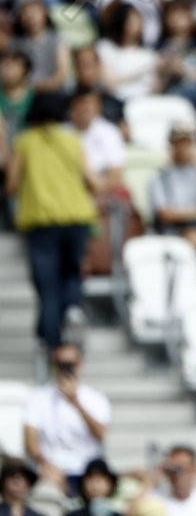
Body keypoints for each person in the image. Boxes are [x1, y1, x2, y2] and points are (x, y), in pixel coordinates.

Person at [6, 92, 97, 350]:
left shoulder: (24, 142)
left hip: (41, 223)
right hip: (76, 219)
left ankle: (50, 341)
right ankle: (72, 308)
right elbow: (91, 179)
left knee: (46, 286)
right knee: (71, 274)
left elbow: (11, 184)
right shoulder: (72, 141)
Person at [24, 343, 112, 496]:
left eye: (70, 364)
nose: (65, 368)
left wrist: (75, 401)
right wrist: (44, 463)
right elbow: (30, 439)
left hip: (85, 473)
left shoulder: (96, 398)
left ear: (80, 364)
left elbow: (100, 433)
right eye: (61, 364)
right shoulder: (38, 397)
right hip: (50, 471)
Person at [148, 120, 196, 253]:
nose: (183, 147)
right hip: (175, 230)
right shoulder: (160, 177)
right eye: (179, 142)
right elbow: (165, 215)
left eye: (187, 142)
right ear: (171, 144)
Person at [67, 89, 125, 196]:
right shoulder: (63, 133)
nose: (86, 109)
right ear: (73, 107)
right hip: (71, 190)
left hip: (103, 192)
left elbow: (115, 172)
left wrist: (100, 193)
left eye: (90, 104)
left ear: (98, 107)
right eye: (82, 104)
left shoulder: (109, 131)